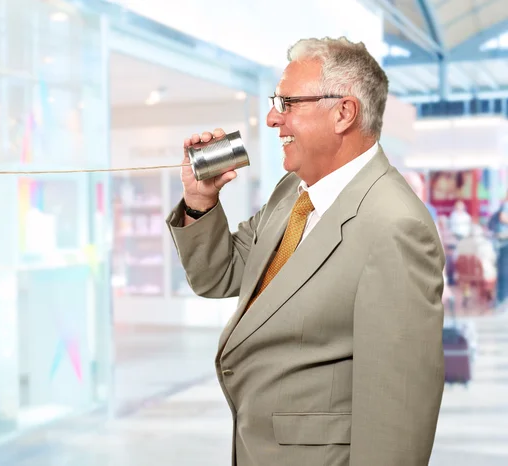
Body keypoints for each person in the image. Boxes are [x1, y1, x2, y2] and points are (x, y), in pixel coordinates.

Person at [166, 37, 445, 466]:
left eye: (288, 102)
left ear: (343, 113)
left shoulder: (394, 225)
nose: (273, 117)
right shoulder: (293, 193)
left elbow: (399, 413)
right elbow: (218, 275)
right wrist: (200, 202)